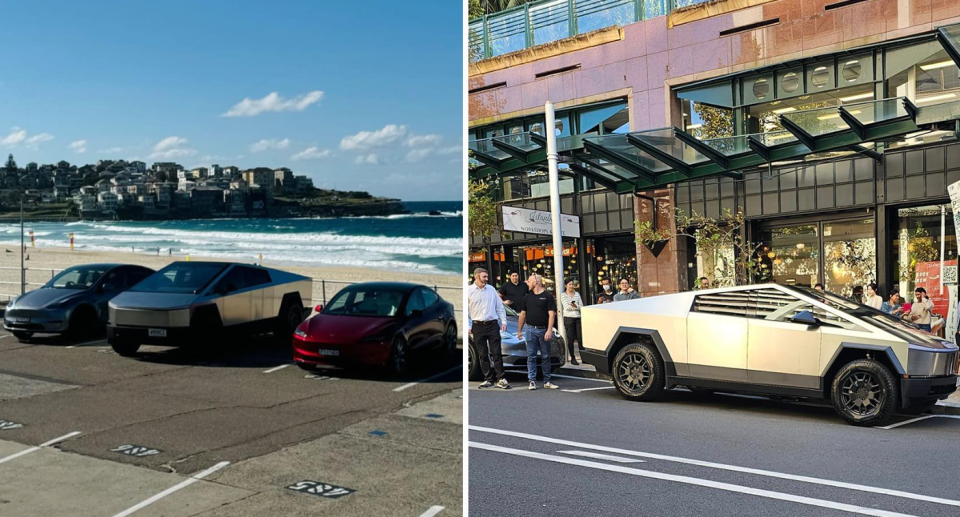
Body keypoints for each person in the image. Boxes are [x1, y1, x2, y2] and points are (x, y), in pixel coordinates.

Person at [467, 268, 510, 389]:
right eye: (484, 277)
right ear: (476, 277)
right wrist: (468, 326)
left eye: (486, 276)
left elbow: (499, 307)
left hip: (492, 324)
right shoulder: (468, 291)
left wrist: (504, 321)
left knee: (496, 352)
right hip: (477, 325)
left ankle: (501, 378)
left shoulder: (491, 289)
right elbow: (466, 311)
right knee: (482, 354)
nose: (486, 279)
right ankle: (488, 379)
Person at [517, 274, 559, 390]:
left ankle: (547, 380)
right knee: (531, 356)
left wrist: (549, 330)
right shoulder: (526, 298)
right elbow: (523, 314)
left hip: (543, 329)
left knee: (545, 355)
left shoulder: (547, 296)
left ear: (536, 282)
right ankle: (532, 381)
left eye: (529, 282)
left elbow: (552, 314)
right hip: (530, 329)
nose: (527, 284)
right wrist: (519, 331)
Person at [560, 279, 583, 365]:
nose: (571, 286)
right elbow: (566, 307)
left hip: (578, 317)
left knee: (580, 338)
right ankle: (573, 357)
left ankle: (583, 357)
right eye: (569, 284)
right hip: (568, 318)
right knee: (571, 338)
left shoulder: (577, 294)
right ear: (566, 285)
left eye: (572, 284)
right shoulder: (563, 295)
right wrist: (575, 306)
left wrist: (574, 305)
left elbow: (581, 306)